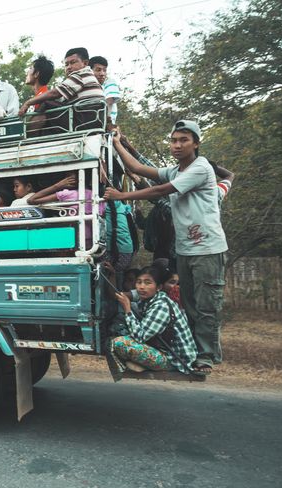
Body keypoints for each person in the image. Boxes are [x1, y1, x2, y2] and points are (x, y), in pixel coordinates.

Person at [106, 120, 227, 375]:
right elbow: (138, 167)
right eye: (173, 140)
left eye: (183, 140)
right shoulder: (176, 170)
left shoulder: (200, 168)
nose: (177, 145)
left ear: (196, 143)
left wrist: (122, 196)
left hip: (207, 248)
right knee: (191, 304)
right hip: (184, 250)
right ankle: (193, 352)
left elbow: (160, 190)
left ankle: (206, 356)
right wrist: (118, 143)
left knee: (207, 305)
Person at [112, 262, 198, 374]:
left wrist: (127, 309)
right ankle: (143, 364)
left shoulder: (161, 305)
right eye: (139, 282)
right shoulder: (150, 300)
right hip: (163, 350)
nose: (142, 287)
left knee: (119, 343)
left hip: (176, 360)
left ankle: (158, 366)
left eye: (148, 283)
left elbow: (140, 336)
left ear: (159, 287)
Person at [18, 47, 103, 132]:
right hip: (90, 119)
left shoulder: (81, 75)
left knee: (46, 104)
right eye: (66, 64)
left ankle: (27, 137)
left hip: (85, 121)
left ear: (85, 63)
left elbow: (54, 93)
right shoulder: (89, 78)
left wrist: (28, 103)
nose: (69, 67)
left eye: (73, 63)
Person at [88, 56, 122, 125]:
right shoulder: (88, 86)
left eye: (104, 70)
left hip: (105, 124)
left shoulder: (109, 83)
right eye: (98, 70)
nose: (102, 74)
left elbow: (109, 102)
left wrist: (108, 122)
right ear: (89, 71)